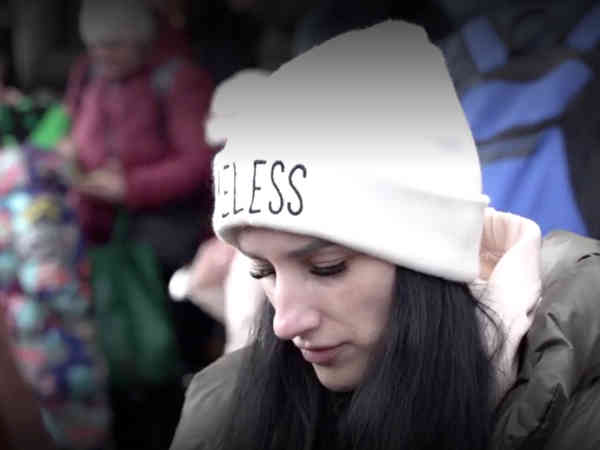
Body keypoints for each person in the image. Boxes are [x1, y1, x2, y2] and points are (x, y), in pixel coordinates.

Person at [170, 20, 600, 450]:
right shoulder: (224, 408)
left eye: (327, 268)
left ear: (432, 258)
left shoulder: (579, 413)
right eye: (261, 269)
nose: (284, 323)